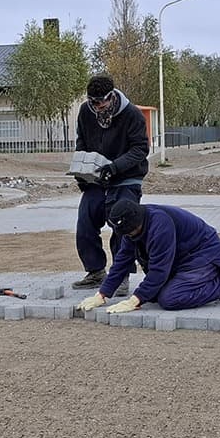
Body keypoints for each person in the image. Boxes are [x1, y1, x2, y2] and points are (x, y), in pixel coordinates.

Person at [76, 199, 220, 314]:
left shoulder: (160, 225)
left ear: (137, 223)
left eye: (129, 232)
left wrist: (134, 301)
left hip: (202, 254)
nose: (128, 235)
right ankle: (205, 281)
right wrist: (102, 294)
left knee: (170, 298)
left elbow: (159, 270)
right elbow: (122, 262)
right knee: (152, 294)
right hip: (181, 255)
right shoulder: (131, 229)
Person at [72, 73, 149, 292]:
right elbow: (82, 141)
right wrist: (81, 171)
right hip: (97, 178)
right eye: (93, 102)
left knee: (121, 224)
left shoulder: (132, 114)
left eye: (101, 102)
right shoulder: (85, 112)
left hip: (126, 177)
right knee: (85, 222)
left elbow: (140, 149)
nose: (97, 107)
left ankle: (121, 275)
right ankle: (95, 272)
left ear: (111, 96)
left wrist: (115, 167)